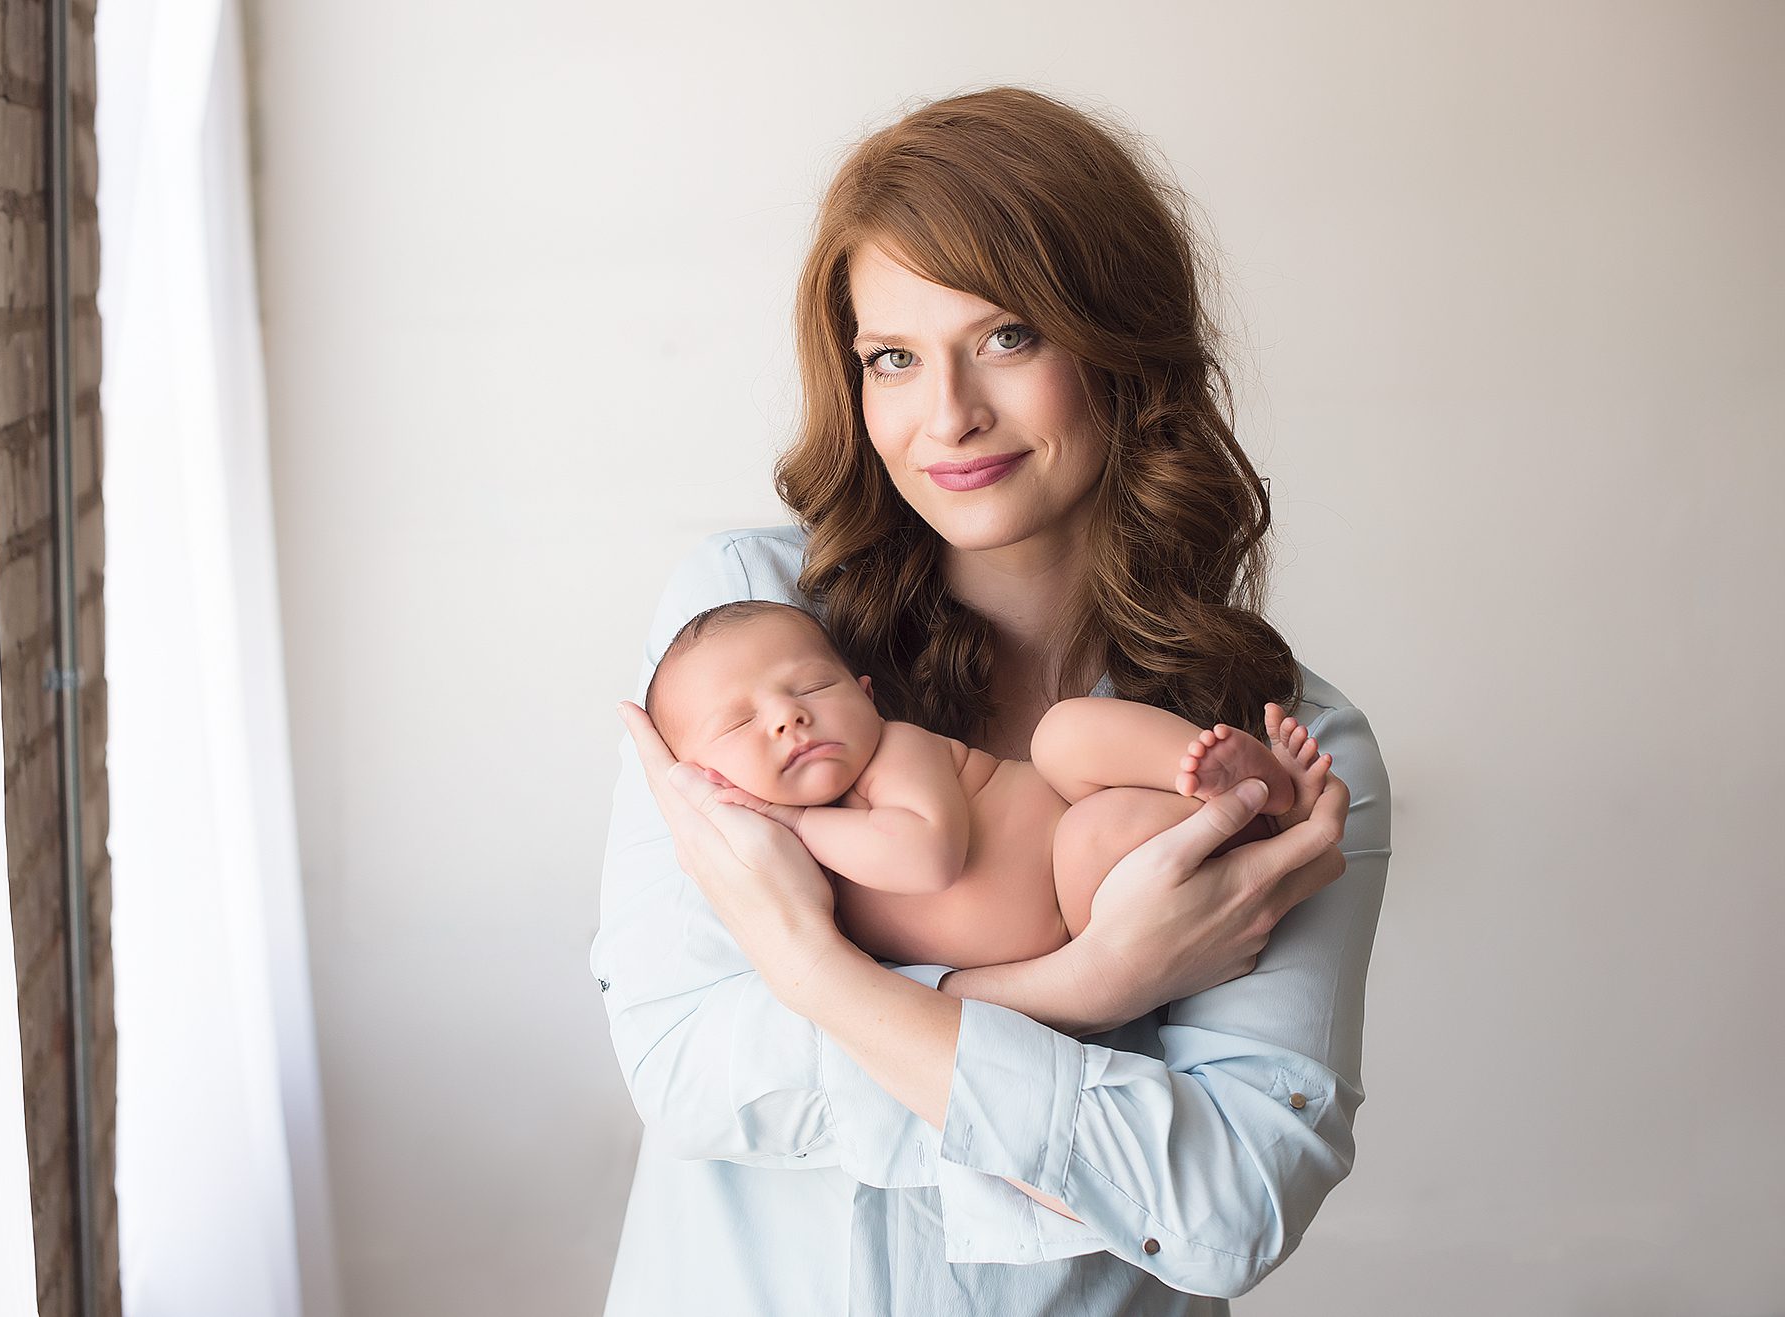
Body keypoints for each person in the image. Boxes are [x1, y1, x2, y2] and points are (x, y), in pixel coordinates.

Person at [593, 86, 1391, 1314]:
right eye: (893, 358)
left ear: (1120, 348)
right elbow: (686, 1065)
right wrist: (1087, 991)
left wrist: (820, 983)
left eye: (1008, 336)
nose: (948, 415)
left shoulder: (1292, 755)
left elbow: (1228, 1206)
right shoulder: (743, 636)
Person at [631, 598, 1336, 982]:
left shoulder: (891, 755)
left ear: (867, 696)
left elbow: (926, 857)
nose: (788, 714)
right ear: (703, 779)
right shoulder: (765, 871)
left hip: (1079, 841)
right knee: (1097, 831)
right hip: (1090, 915)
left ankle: (1241, 781)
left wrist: (796, 820)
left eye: (813, 684)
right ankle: (1250, 811)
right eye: (741, 722)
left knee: (1066, 732)